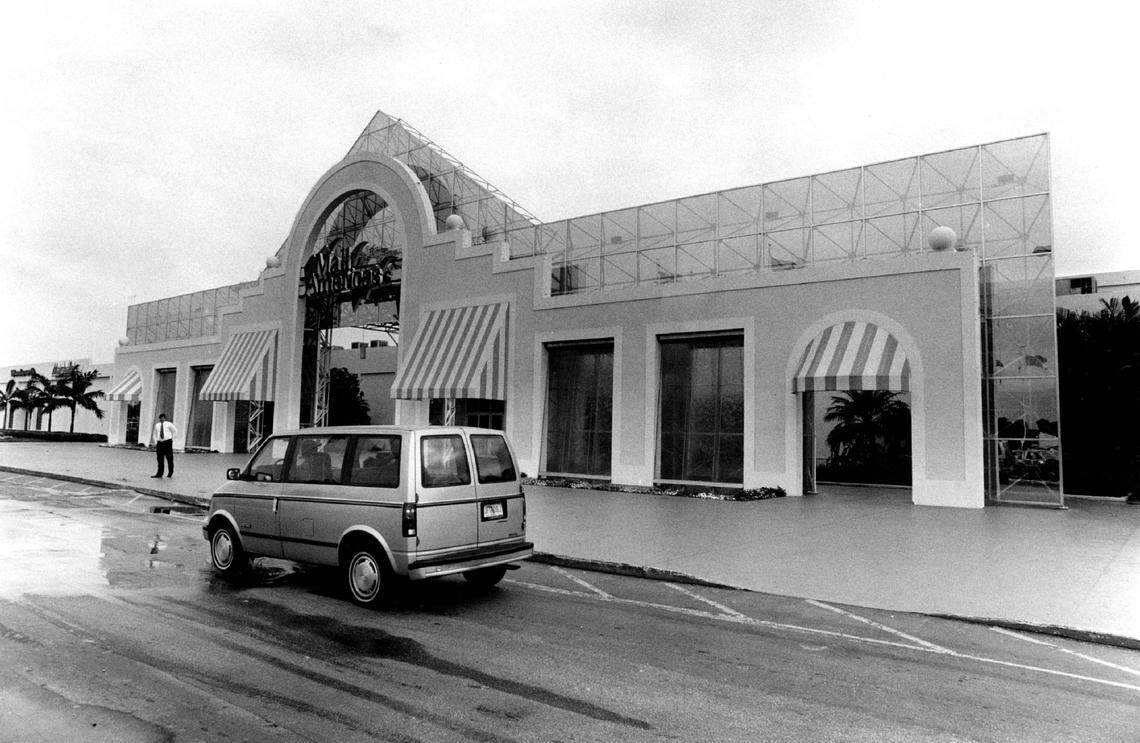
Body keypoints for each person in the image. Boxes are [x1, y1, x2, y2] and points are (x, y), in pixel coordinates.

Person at [151, 413, 177, 478]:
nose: (161, 419)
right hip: (160, 443)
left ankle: (170, 473)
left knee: (169, 458)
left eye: (163, 418)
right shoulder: (157, 425)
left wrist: (172, 439)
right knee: (160, 459)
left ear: (165, 418)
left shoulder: (169, 424)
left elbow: (175, 431)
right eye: (160, 418)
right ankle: (159, 473)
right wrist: (155, 442)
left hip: (167, 442)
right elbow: (154, 433)